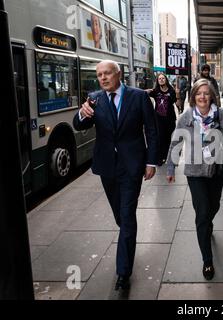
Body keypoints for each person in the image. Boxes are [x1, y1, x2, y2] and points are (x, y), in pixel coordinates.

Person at [73, 60, 158, 291]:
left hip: (132, 166)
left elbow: (151, 129)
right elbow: (79, 125)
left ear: (118, 74)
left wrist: (151, 161)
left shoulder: (139, 96)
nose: (103, 78)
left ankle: (123, 272)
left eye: (107, 73)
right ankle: (128, 237)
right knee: (121, 217)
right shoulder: (95, 98)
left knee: (127, 215)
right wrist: (82, 113)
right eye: (99, 74)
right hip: (107, 167)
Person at [166, 79, 223, 280]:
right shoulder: (186, 118)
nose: (203, 97)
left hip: (216, 171)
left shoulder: (222, 115)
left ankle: (207, 223)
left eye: (206, 93)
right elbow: (175, 143)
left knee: (213, 207)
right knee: (202, 213)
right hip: (195, 172)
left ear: (212, 95)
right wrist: (171, 167)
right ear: (193, 96)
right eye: (198, 93)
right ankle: (207, 260)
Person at [146, 73, 177, 166]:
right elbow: (144, 93)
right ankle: (160, 158)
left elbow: (176, 102)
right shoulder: (155, 91)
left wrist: (178, 95)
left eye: (163, 78)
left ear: (166, 80)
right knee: (160, 138)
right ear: (157, 81)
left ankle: (166, 156)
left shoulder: (171, 90)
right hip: (159, 119)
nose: (161, 80)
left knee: (167, 138)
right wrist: (147, 91)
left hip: (170, 119)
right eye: (159, 79)